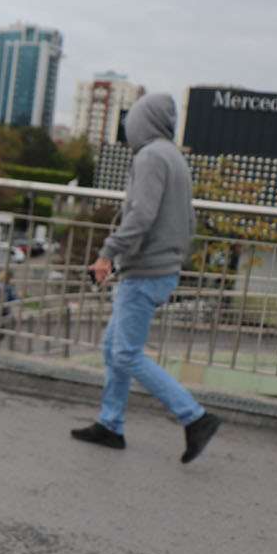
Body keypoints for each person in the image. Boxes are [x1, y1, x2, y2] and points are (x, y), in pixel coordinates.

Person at [74, 93, 221, 462]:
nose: (129, 129)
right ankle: (110, 424)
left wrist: (108, 253)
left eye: (132, 122)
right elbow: (188, 220)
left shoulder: (151, 157)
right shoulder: (174, 157)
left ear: (144, 122)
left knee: (126, 353)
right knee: (113, 348)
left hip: (145, 271)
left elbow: (141, 214)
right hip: (159, 267)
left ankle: (195, 416)